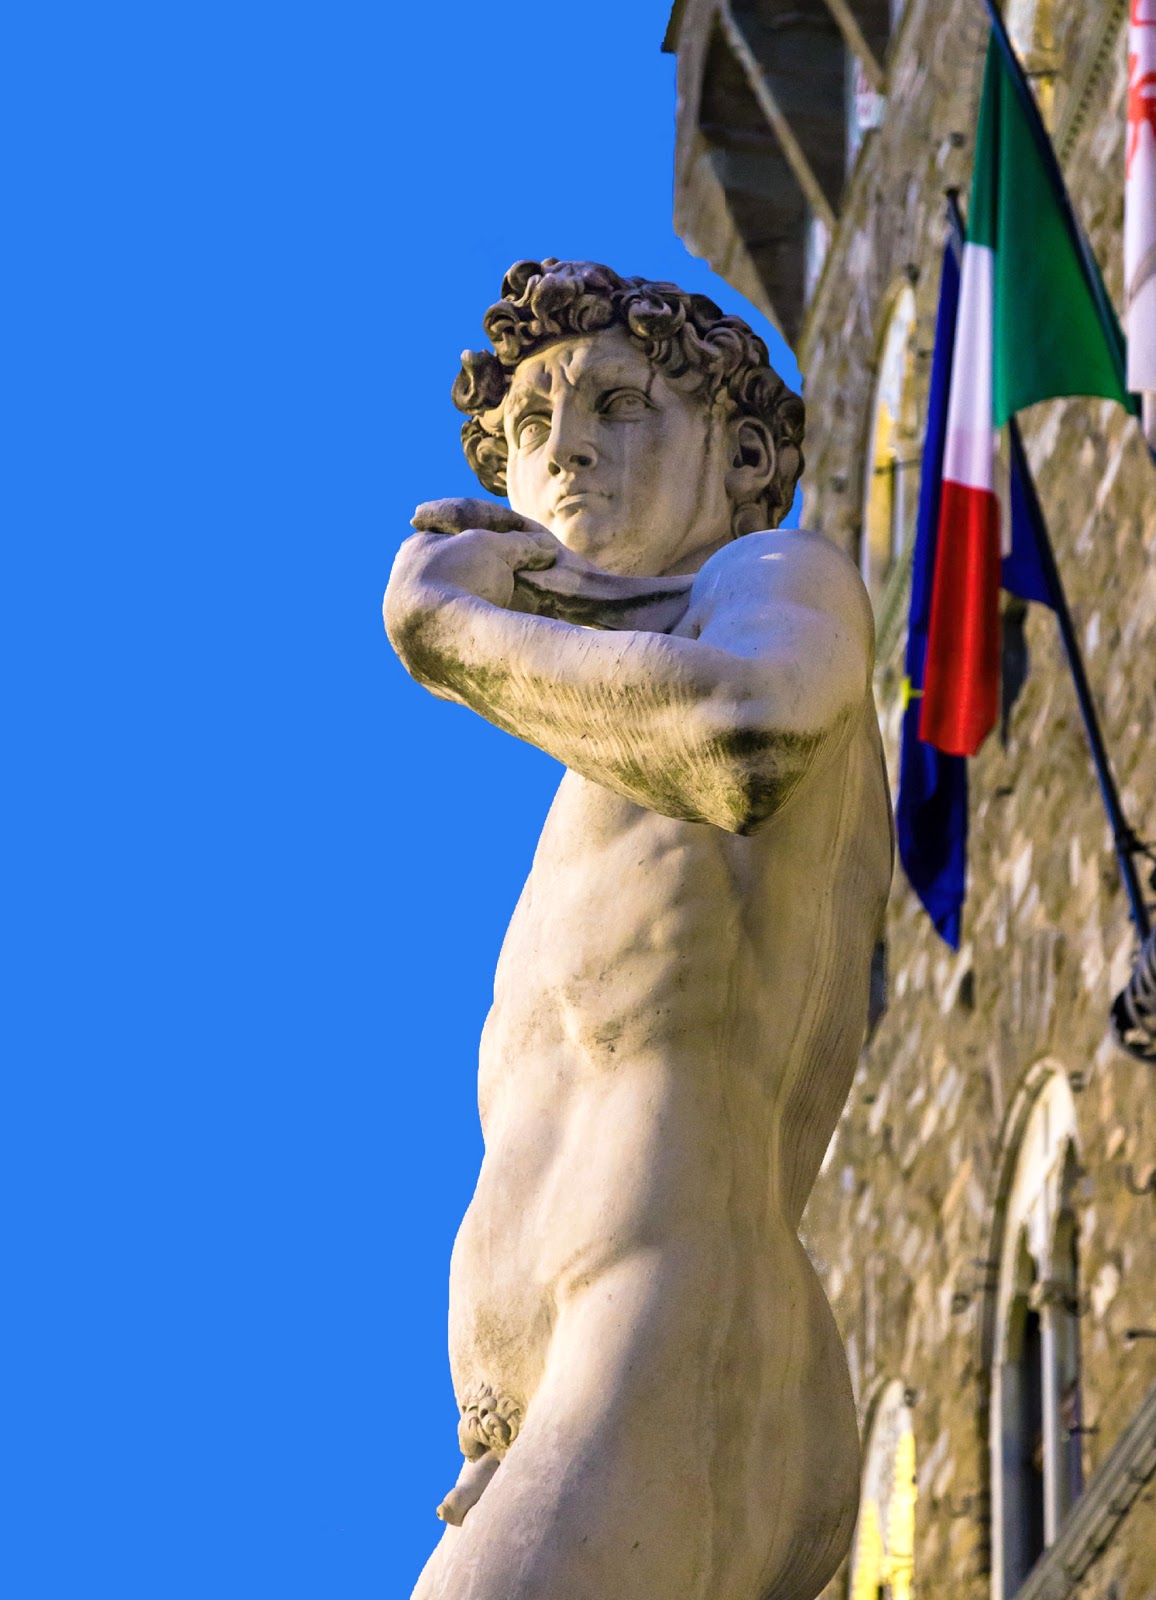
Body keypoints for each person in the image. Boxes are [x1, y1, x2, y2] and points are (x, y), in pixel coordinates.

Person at [384, 260, 893, 1600]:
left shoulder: (775, 577)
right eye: (532, 426)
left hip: (669, 1329)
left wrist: (451, 631)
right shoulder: (598, 760)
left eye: (620, 404)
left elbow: (752, 729)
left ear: (742, 459)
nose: (568, 450)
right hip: (543, 1417)